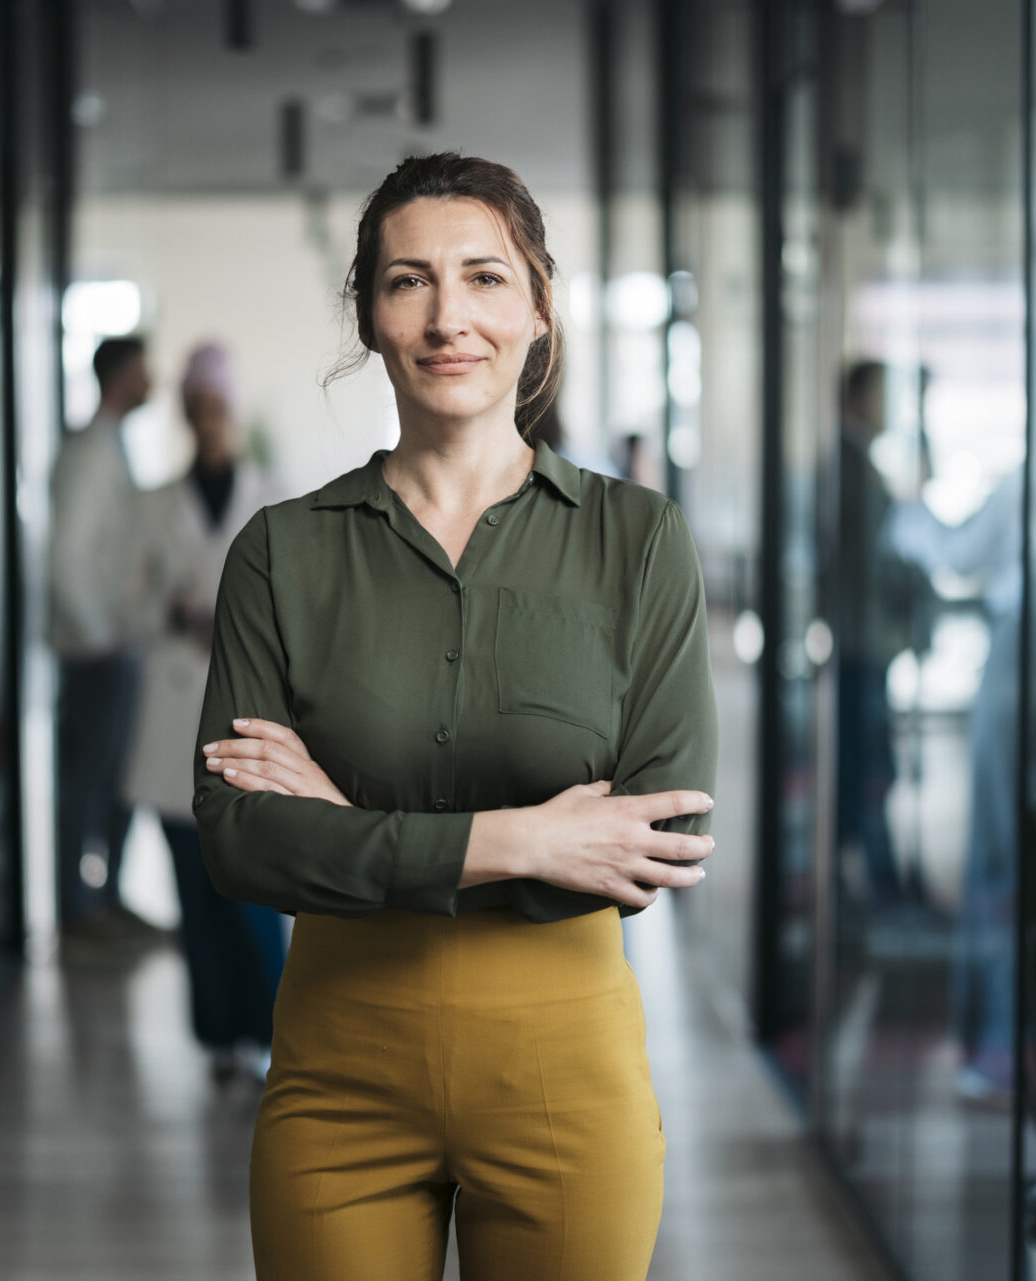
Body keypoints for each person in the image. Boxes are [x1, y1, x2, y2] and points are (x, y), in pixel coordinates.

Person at [190, 153, 718, 1280]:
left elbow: (657, 842)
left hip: (566, 1085)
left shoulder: (638, 541)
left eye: (483, 278)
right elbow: (239, 839)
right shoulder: (281, 554)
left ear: (536, 307)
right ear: (371, 318)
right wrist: (526, 838)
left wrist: (347, 821)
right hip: (339, 1083)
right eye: (407, 282)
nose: (447, 318)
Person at [122, 341, 286, 1083]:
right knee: (194, 893)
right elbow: (127, 600)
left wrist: (233, 620)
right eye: (198, 408)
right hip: (172, 720)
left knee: (252, 888)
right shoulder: (155, 504)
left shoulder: (270, 493)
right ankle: (218, 1034)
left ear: (233, 411)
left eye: (218, 407)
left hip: (247, 715)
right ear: (187, 415)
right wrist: (171, 609)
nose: (209, 420)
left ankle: (273, 1029)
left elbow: (296, 605)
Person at [888, 460, 1025, 1100]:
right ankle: (997, 1039)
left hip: (1020, 660)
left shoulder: (1022, 479)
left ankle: (993, 1044)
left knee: (999, 858)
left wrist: (913, 511)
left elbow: (957, 554)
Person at [48, 336, 162, 945]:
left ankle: (105, 900)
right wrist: (96, 637)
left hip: (115, 644)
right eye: (145, 371)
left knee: (115, 778)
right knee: (87, 781)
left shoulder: (112, 446)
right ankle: (76, 913)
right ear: (121, 375)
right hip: (96, 652)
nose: (154, 381)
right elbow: (65, 558)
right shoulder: (88, 454)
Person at [835, 360, 928, 906]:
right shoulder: (849, 465)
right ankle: (879, 880)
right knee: (870, 768)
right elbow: (870, 558)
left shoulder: (858, 461)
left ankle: (871, 877)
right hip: (860, 641)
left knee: (868, 764)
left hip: (864, 640)